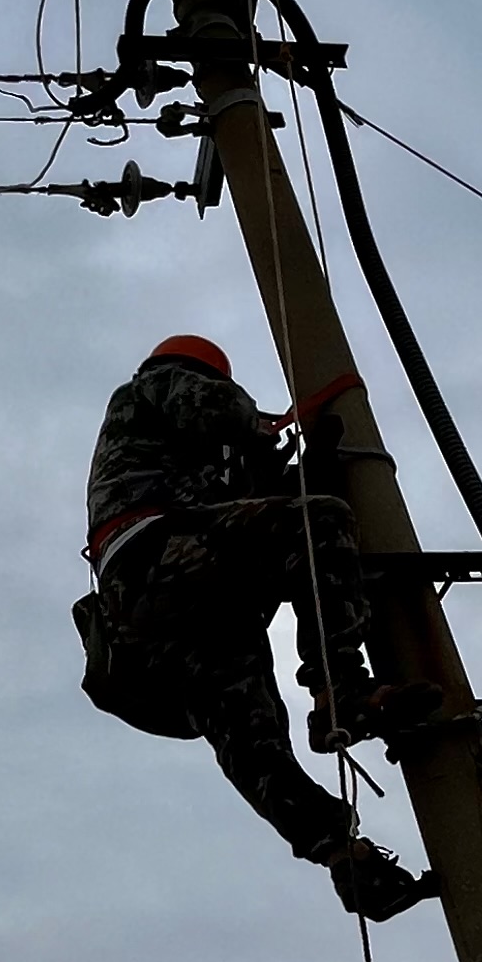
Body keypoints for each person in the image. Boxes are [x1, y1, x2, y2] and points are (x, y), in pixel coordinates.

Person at [78, 333, 438, 920]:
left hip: (177, 602)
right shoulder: (151, 390)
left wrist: (305, 467)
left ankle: (341, 854)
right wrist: (266, 427)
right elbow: (217, 412)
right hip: (157, 555)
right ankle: (340, 687)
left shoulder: (209, 462)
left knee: (246, 730)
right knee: (320, 522)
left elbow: (260, 509)